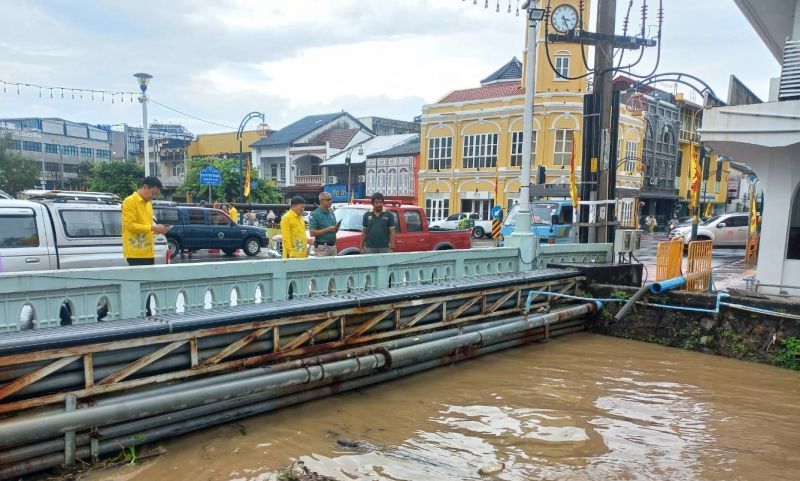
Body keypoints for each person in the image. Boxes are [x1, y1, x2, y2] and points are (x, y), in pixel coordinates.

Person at [122, 176, 170, 266]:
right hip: (136, 253)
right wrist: (153, 228)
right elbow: (130, 225)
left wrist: (158, 229)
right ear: (145, 187)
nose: (154, 196)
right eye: (153, 193)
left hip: (149, 252)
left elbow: (148, 227)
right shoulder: (129, 201)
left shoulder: (148, 204)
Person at [309, 192, 339, 257]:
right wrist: (328, 229)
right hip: (322, 247)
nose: (330, 201)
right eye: (328, 200)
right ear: (321, 201)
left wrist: (335, 228)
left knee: (334, 267)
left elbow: (333, 229)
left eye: (331, 199)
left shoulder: (331, 212)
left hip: (333, 246)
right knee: (322, 266)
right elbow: (312, 233)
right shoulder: (315, 214)